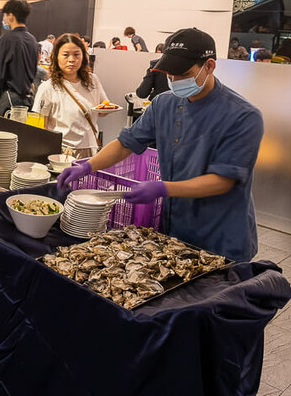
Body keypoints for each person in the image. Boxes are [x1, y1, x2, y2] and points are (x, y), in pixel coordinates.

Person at [57, 28, 264, 262]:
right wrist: (88, 166)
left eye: (183, 73)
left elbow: (222, 181)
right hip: (175, 228)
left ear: (209, 66)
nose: (175, 81)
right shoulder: (163, 104)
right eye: (170, 74)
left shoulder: (243, 116)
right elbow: (126, 143)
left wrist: (162, 188)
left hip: (222, 236)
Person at [32, 33, 110, 159]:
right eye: (65, 55)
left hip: (91, 149)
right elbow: (40, 129)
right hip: (62, 152)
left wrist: (105, 110)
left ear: (83, 57)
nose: (71, 59)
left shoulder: (92, 80)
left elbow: (102, 110)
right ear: (56, 57)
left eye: (76, 54)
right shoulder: (48, 87)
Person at [0, 0, 39, 115]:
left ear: (11, 16)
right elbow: (34, 70)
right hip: (27, 99)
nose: (4, 19)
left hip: (9, 98)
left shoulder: (6, 39)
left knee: (3, 132)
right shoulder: (32, 40)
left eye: (5, 15)